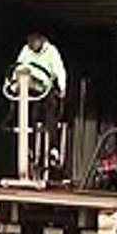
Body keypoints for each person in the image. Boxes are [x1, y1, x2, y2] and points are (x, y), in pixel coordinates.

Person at [15, 32, 68, 167]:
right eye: (31, 45)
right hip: (29, 87)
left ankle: (53, 148)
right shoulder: (26, 50)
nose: (33, 47)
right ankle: (30, 148)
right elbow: (19, 66)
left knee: (51, 116)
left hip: (45, 88)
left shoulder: (51, 51)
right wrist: (15, 83)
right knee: (28, 116)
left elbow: (59, 70)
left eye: (35, 44)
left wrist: (62, 87)